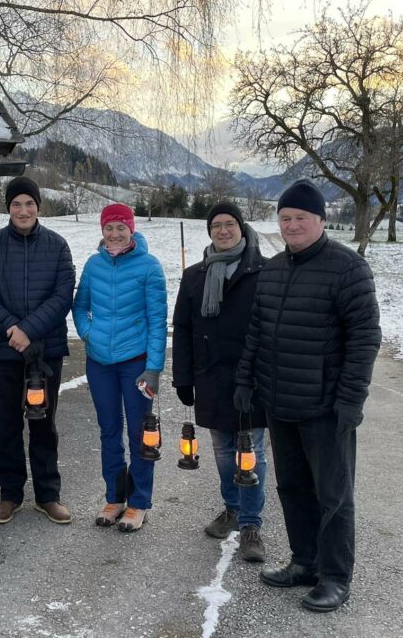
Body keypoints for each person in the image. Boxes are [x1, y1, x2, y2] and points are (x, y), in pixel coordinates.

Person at [234, 179, 381, 612]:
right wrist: (246, 381)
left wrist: (351, 400)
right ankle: (304, 561)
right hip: (280, 404)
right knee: (293, 487)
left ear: (320, 219)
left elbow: (365, 338)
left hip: (326, 408)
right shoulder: (274, 269)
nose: (292, 225)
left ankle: (335, 576)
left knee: (333, 497)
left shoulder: (348, 268)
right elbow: (257, 333)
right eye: (285, 218)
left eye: (300, 217)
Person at [0, 176, 75, 525]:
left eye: (29, 203)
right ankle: (10, 494)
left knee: (44, 423)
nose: (23, 210)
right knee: (7, 424)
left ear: (38, 207)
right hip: (2, 351)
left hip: (44, 352)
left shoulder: (58, 246)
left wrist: (28, 330)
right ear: (8, 208)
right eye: (16, 204)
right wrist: (11, 330)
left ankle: (48, 495)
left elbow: (63, 295)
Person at [171, 202, 267, 559]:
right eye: (216, 226)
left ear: (241, 228)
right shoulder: (195, 275)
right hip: (210, 376)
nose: (223, 231)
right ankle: (232, 508)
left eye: (230, 224)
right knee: (223, 451)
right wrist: (183, 377)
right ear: (209, 231)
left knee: (251, 451)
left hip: (250, 378)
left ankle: (252, 524)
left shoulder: (263, 272)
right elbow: (183, 328)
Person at [73, 203, 167, 532]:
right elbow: (80, 304)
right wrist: (88, 333)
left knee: (140, 432)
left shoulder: (149, 267)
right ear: (102, 230)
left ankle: (139, 502)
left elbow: (158, 323)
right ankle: (115, 497)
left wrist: (154, 367)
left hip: (136, 364)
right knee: (109, 431)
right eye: (109, 228)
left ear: (132, 229)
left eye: (120, 227)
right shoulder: (93, 265)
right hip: (100, 363)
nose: (114, 234)